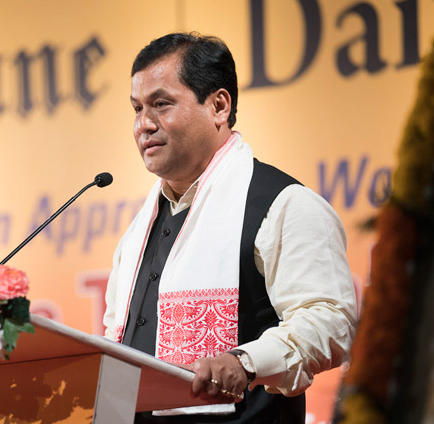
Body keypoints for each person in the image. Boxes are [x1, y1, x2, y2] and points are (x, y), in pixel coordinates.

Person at [103, 33, 358, 423]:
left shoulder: (282, 204)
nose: (144, 125)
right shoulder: (138, 232)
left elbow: (330, 319)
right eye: (137, 108)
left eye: (161, 104)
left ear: (219, 106)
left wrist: (245, 361)